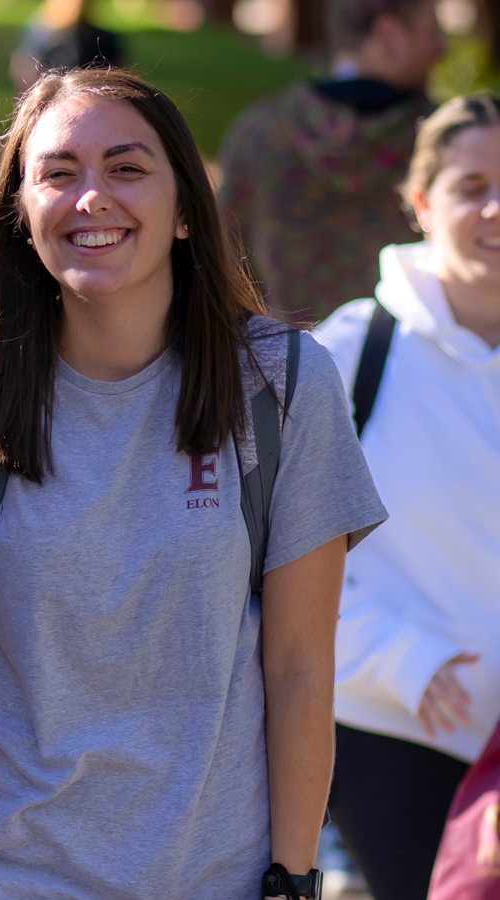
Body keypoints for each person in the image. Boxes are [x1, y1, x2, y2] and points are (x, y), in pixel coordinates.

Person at [0, 68, 388, 900]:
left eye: (126, 168)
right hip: (7, 873)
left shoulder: (284, 384)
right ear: (19, 210)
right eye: (57, 173)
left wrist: (293, 878)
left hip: (219, 878)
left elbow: (301, 664)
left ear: (187, 210)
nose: (91, 199)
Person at [313, 92, 500, 900]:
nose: (496, 207)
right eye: (471, 186)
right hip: (394, 736)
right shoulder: (352, 353)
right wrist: (403, 660)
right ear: (421, 203)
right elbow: (277, 561)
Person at [219, 0, 445, 325]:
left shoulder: (258, 134)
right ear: (389, 34)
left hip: (289, 363)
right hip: (419, 362)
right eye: (433, 31)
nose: (443, 47)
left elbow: (222, 263)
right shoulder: (449, 142)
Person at [10, 0, 124, 94]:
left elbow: (120, 75)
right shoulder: (43, 35)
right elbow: (26, 70)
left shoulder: (100, 38)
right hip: (54, 94)